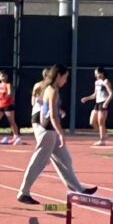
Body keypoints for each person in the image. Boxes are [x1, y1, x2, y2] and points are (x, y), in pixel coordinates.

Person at [17, 64, 97, 205]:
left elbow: (46, 110)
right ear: (58, 76)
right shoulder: (52, 90)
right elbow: (52, 116)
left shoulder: (49, 88)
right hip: (48, 131)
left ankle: (78, 189)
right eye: (65, 77)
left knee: (65, 159)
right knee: (39, 162)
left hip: (49, 129)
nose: (65, 81)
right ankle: (23, 192)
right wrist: (61, 133)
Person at [80, 67, 113, 146]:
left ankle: (102, 140)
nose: (95, 75)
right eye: (95, 74)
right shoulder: (96, 82)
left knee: (101, 122)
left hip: (103, 103)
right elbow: (95, 95)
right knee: (92, 121)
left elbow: (111, 93)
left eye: (97, 73)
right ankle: (104, 134)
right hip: (97, 104)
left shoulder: (106, 81)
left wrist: (106, 102)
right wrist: (86, 98)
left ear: (102, 73)